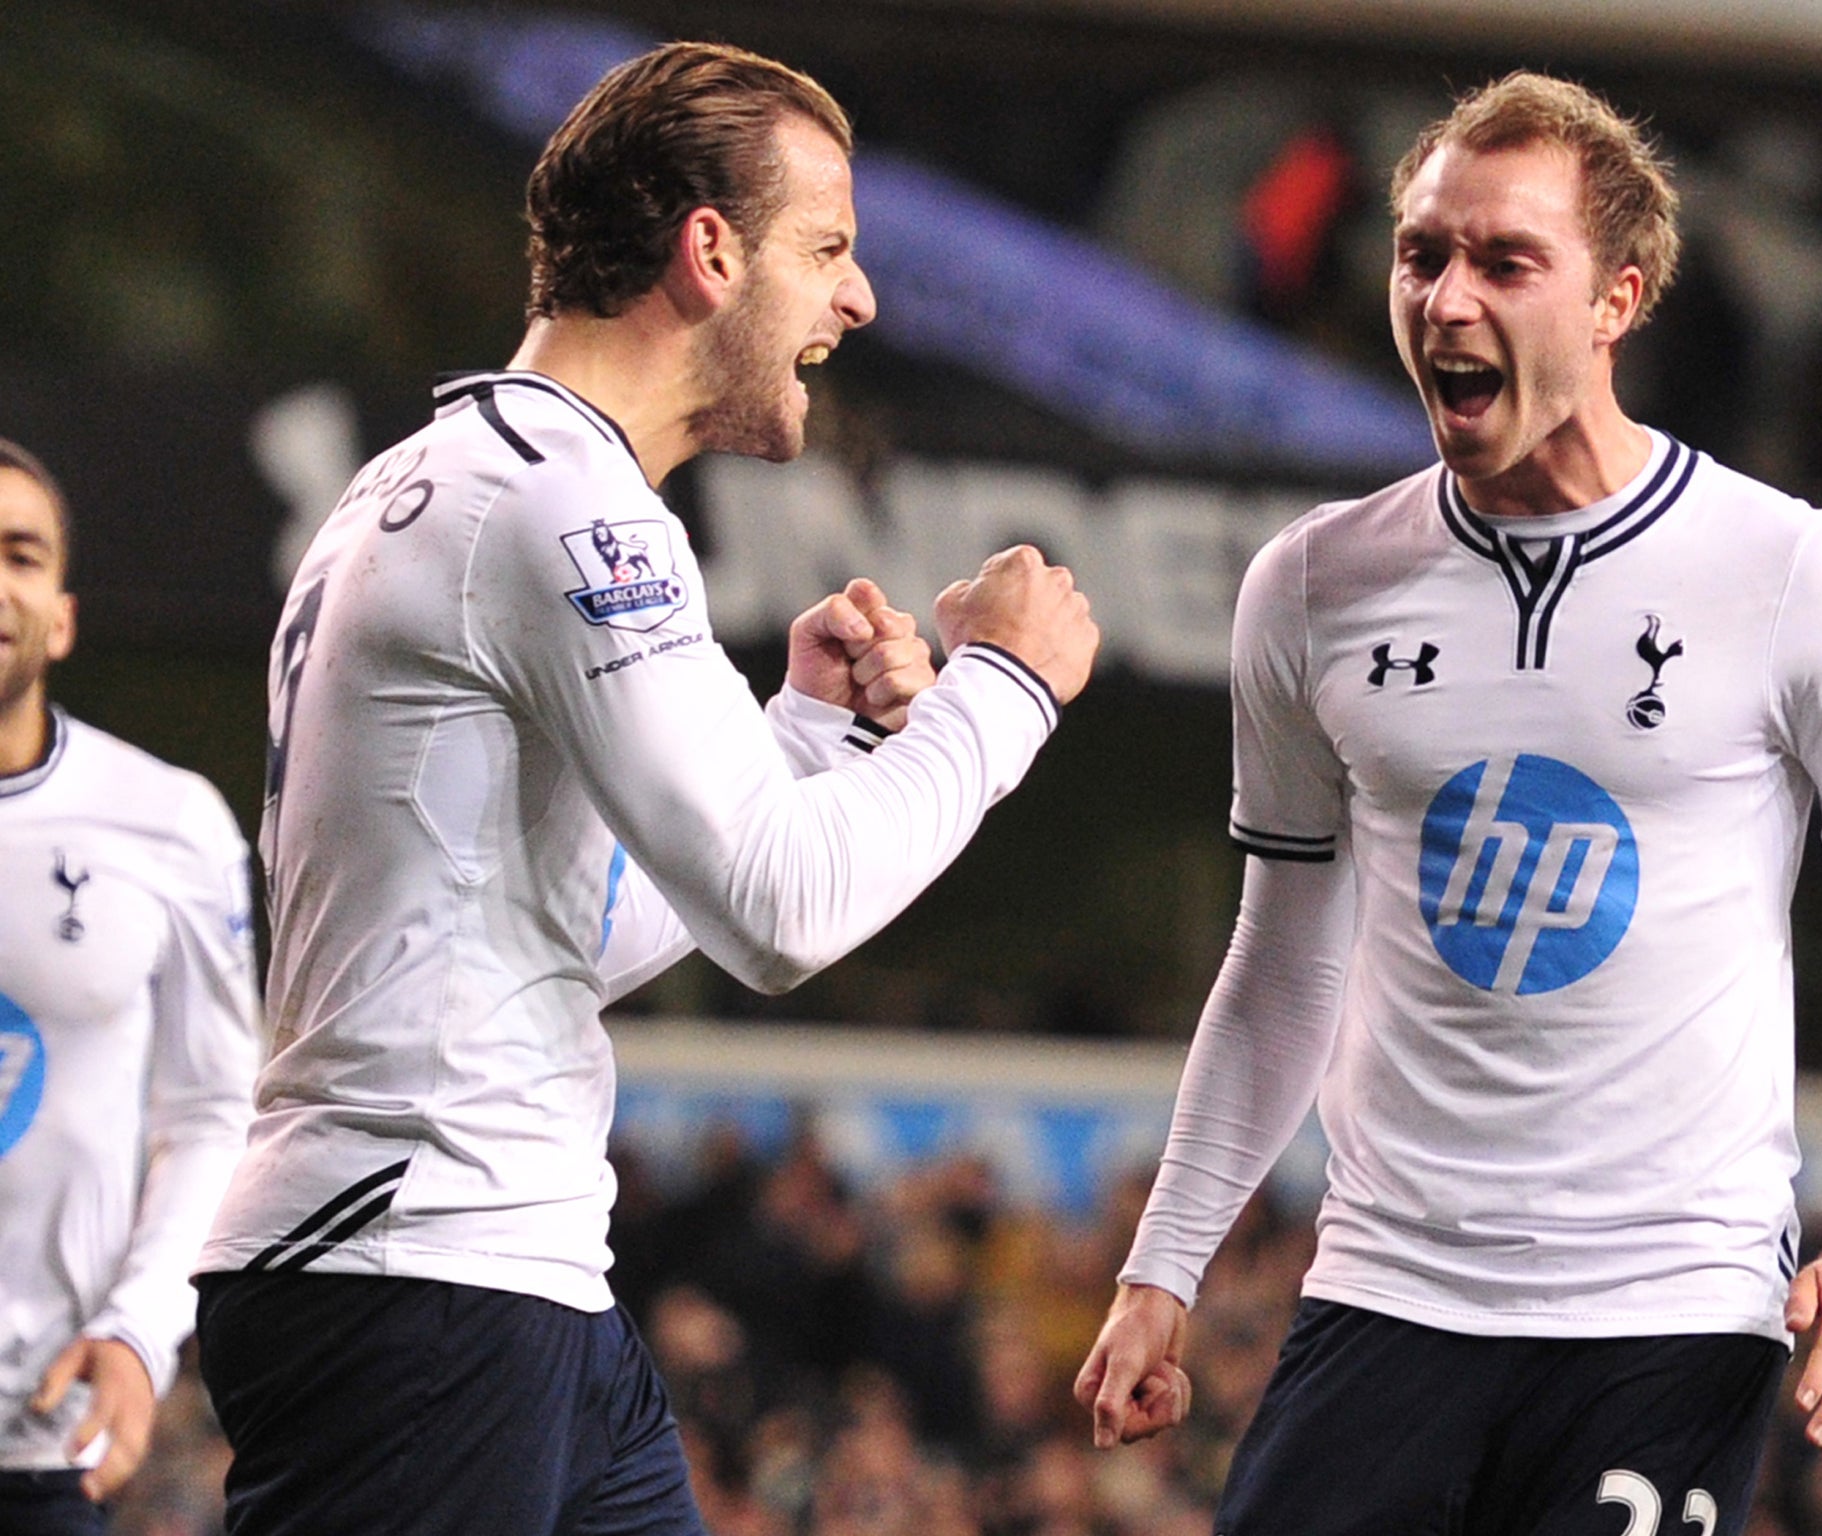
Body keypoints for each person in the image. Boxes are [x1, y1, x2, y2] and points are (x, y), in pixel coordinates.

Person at [191, 39, 1098, 1536]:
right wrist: (1004, 690)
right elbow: (779, 915)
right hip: (420, 1274)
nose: (858, 299)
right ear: (709, 251)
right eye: (828, 249)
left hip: (500, 1269)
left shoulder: (460, 476)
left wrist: (800, 737)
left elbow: (571, 926)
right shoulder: (563, 503)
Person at [1076, 72, 1822, 1535]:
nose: (1445, 300)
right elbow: (1282, 961)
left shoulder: (1794, 573)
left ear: (1619, 299)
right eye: (1422, 255)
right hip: (1389, 1293)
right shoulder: (1311, 587)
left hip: (1669, 1315)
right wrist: (1163, 1264)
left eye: (1504, 261)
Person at [0, 439, 261, 1534]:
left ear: (61, 615)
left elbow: (212, 1108)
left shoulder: (168, 824)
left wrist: (141, 1332)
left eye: (18, 554)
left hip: (38, 1446)